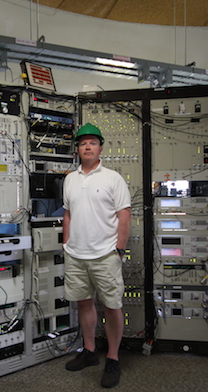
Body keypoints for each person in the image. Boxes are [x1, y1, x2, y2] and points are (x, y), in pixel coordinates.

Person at [62, 123, 131, 388]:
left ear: (100, 147)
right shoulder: (70, 179)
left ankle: (113, 358)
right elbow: (67, 213)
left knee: (112, 306)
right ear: (78, 149)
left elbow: (124, 214)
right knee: (83, 302)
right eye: (82, 143)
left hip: (105, 253)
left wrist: (119, 248)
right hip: (76, 254)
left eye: (92, 142)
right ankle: (90, 351)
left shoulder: (112, 177)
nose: (87, 147)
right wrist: (66, 242)